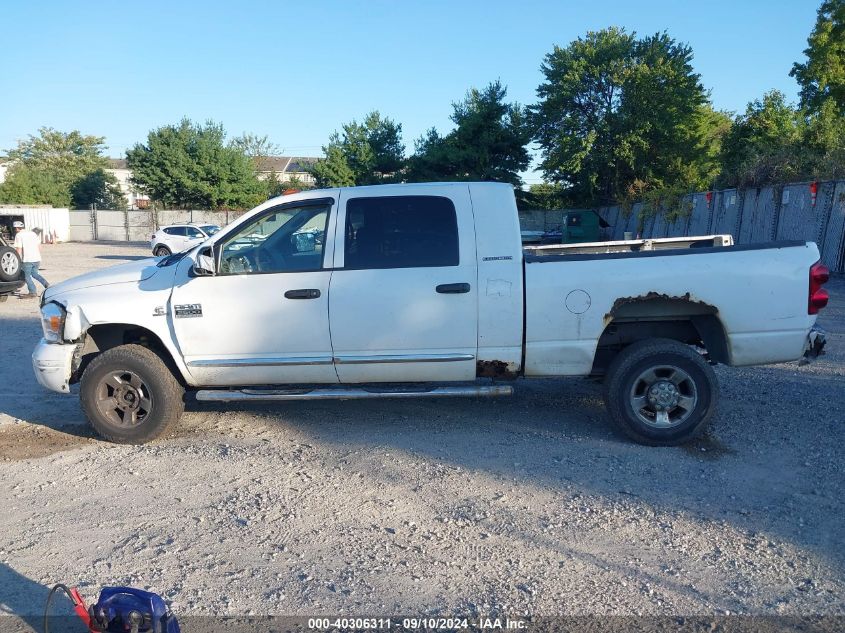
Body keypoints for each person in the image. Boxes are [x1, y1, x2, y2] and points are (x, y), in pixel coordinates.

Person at [12, 220, 49, 298]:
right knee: (35, 274)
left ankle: (32, 292)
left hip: (27, 259)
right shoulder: (33, 233)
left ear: (16, 228)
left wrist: (16, 259)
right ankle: (46, 284)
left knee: (26, 276)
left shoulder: (19, 235)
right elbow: (39, 247)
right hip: (37, 258)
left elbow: (19, 249)